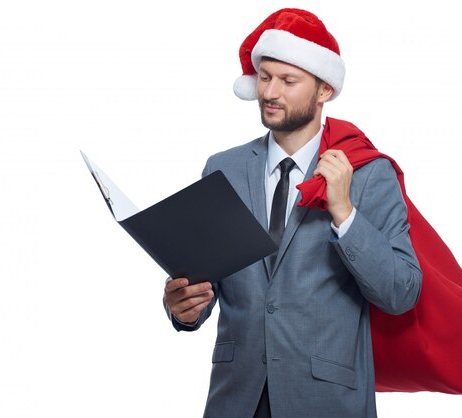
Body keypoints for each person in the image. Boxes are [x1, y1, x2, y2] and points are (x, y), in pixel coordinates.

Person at [164, 8, 422, 418]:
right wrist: (183, 306)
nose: (270, 92)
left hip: (325, 401)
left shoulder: (370, 174)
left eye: (288, 81)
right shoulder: (222, 169)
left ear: (324, 90)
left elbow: (401, 293)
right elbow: (203, 279)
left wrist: (345, 213)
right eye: (264, 77)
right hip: (236, 400)